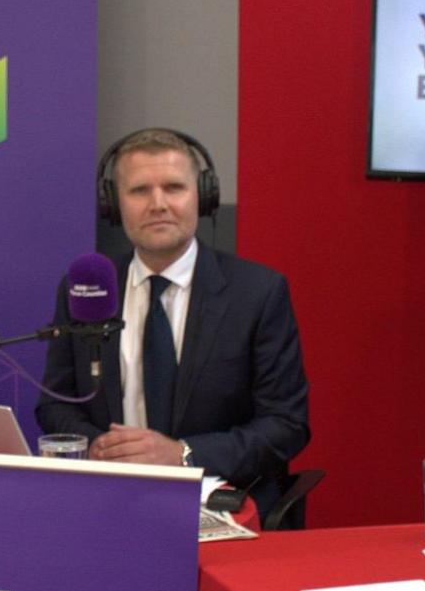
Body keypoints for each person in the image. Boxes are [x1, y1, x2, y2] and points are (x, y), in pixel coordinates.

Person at [37, 128, 309, 516]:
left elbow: (286, 424)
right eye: (140, 191)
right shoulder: (85, 290)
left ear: (203, 196)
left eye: (174, 187)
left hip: (218, 501)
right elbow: (55, 404)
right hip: (108, 499)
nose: (158, 204)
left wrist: (182, 454)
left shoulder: (258, 293)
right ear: (114, 204)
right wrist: (99, 446)